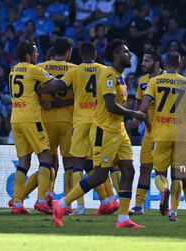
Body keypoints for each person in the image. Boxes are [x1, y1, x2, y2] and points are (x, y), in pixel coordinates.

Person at [51, 40, 146, 228]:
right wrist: (133, 113)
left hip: (119, 131)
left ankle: (123, 218)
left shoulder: (119, 76)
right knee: (100, 175)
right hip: (105, 131)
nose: (130, 55)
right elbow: (110, 105)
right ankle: (61, 204)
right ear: (116, 55)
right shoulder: (108, 74)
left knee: (128, 170)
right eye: (126, 52)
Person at [38, 41, 118, 216]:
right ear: (95, 54)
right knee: (97, 164)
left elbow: (57, 85)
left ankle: (79, 206)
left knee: (75, 164)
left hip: (79, 121)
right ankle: (109, 201)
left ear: (79, 54)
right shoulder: (105, 70)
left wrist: (38, 89)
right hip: (100, 121)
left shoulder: (74, 70)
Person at [12, 38, 76, 212]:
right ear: (28, 55)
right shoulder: (33, 70)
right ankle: (42, 199)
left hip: (16, 118)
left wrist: (39, 94)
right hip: (33, 119)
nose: (37, 54)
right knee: (47, 159)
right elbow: (55, 84)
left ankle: (17, 203)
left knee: (23, 162)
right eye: (34, 52)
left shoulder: (13, 71)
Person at [140, 51, 186, 221]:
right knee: (179, 174)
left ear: (164, 64)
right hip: (182, 133)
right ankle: (173, 212)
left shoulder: (154, 81)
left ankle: (164, 189)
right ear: (180, 64)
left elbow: (144, 106)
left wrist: (138, 116)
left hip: (160, 133)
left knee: (160, 173)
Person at [129, 49, 163, 215]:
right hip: (148, 133)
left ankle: (167, 202)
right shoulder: (142, 81)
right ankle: (139, 206)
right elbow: (139, 103)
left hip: (164, 131)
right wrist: (136, 118)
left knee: (161, 170)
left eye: (146, 61)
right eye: (142, 60)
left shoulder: (167, 79)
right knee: (145, 168)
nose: (142, 64)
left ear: (157, 63)